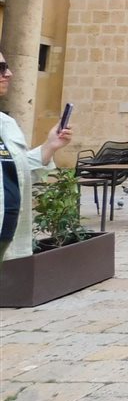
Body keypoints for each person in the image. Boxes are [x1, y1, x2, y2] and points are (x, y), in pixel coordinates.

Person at [0, 50, 73, 262]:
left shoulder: (7, 124)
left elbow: (16, 174)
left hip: (8, 239)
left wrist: (50, 146)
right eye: (1, 68)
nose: (10, 74)